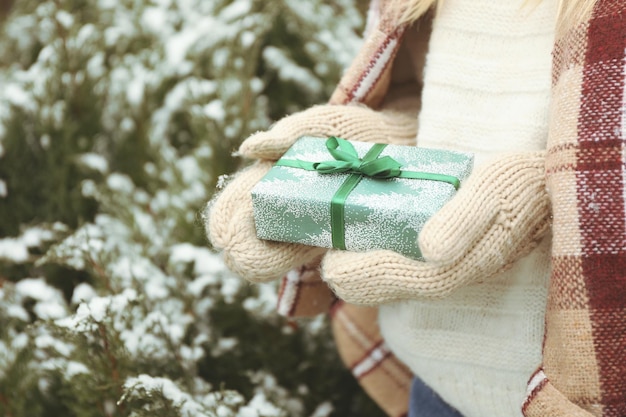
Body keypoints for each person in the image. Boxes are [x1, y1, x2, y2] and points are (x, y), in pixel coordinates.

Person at [205, 0, 626, 416]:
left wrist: (548, 190)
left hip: (551, 393)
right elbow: (418, 91)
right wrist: (382, 136)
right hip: (432, 383)